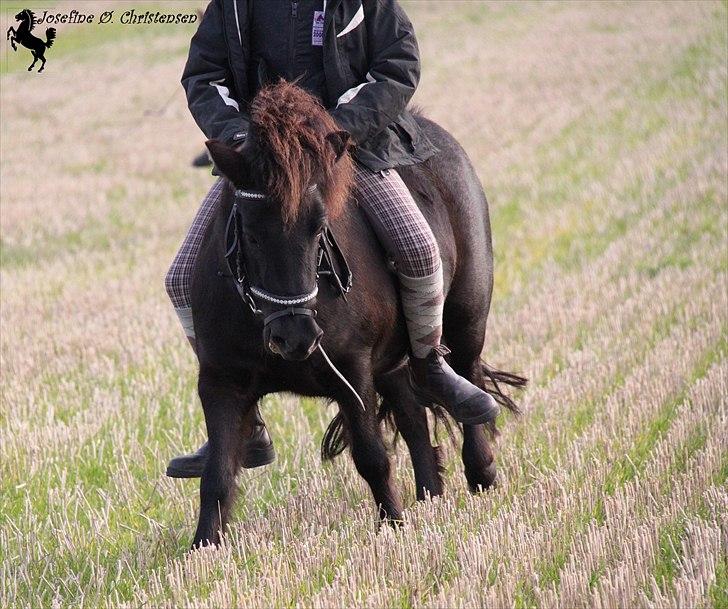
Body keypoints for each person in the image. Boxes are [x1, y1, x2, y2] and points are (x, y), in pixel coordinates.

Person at [165, 0, 500, 478]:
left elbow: (398, 63)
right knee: (180, 279)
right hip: (264, 167)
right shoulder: (233, 5)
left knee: (420, 252)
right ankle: (246, 423)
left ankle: (430, 363)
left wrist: (338, 129)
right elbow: (204, 76)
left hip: (348, 150)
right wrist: (241, 138)